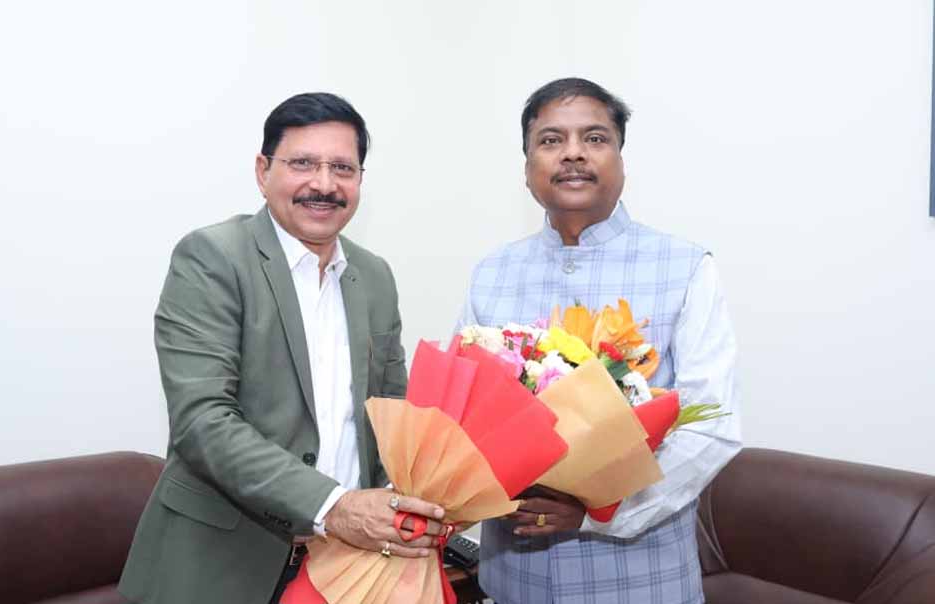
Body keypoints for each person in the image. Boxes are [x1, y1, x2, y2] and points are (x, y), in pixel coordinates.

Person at [119, 92, 445, 604]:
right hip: (222, 565)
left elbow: (391, 412)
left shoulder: (375, 276)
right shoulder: (212, 258)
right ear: (263, 170)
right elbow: (203, 421)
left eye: (343, 168)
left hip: (349, 565)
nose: (324, 184)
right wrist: (334, 506)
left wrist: (417, 497)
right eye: (303, 163)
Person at [457, 77, 742, 603]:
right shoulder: (492, 273)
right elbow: (464, 413)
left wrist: (603, 511)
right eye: (550, 140)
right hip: (515, 579)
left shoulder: (684, 267)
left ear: (620, 160)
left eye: (594, 138)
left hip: (639, 582)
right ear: (526, 168)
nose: (573, 153)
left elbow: (712, 427)